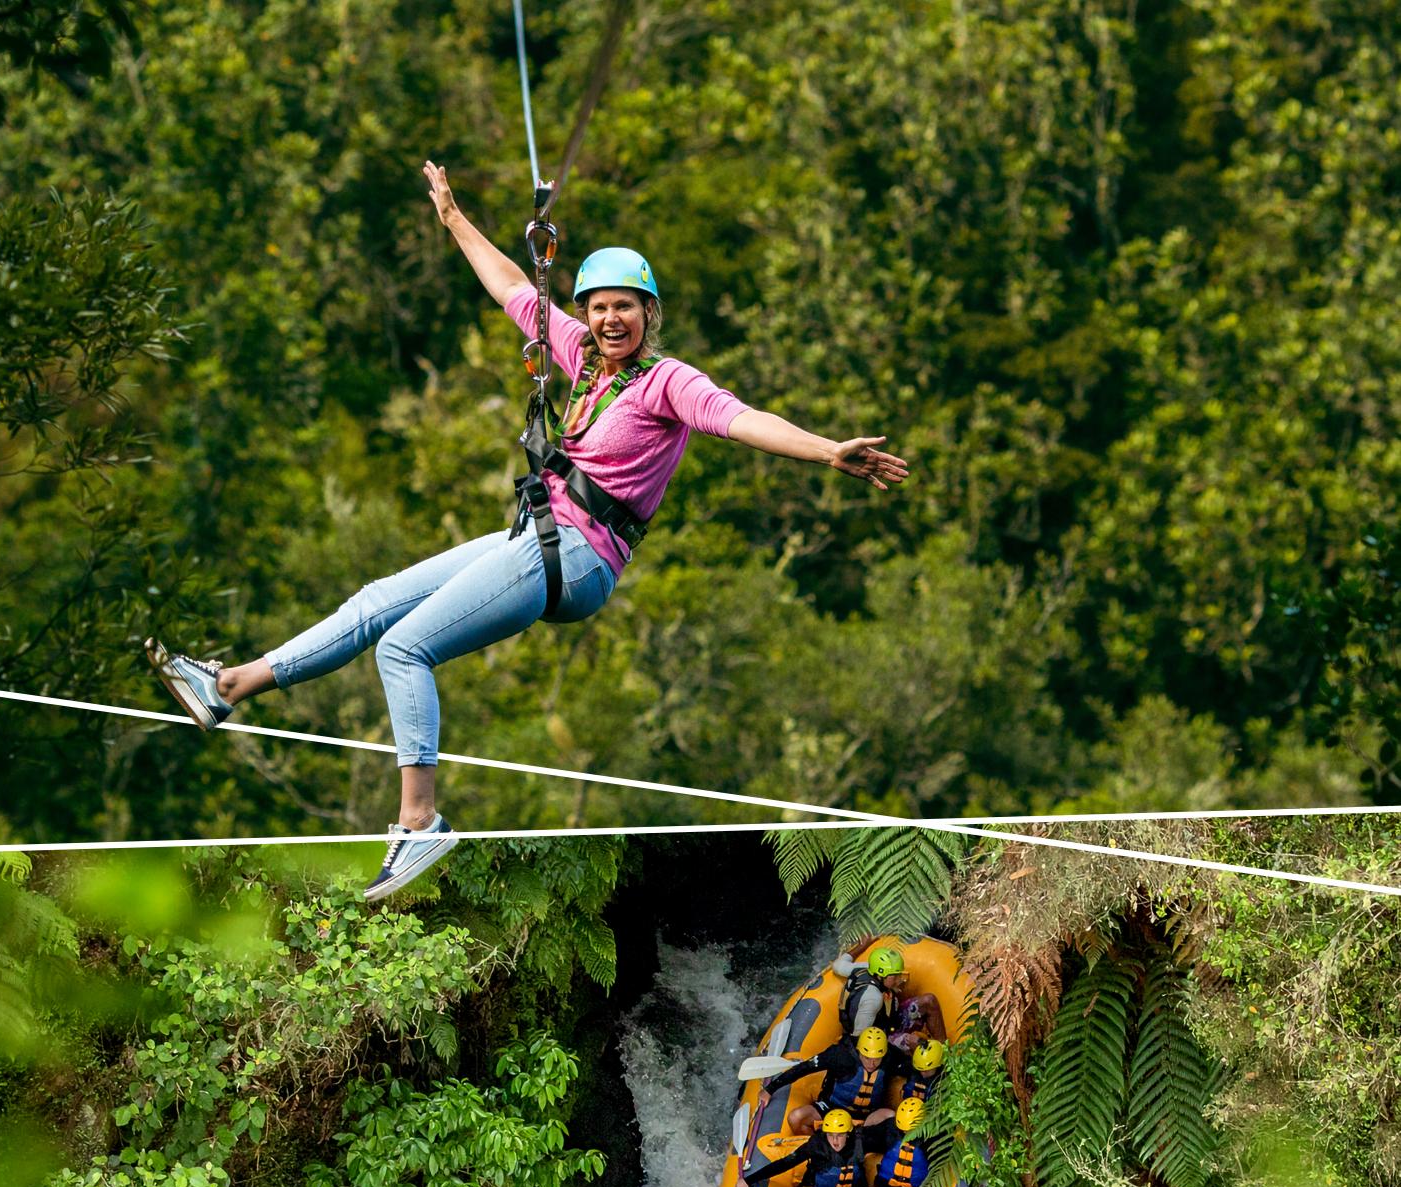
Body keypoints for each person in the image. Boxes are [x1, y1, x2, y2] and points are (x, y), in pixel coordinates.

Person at [144, 162, 911, 901]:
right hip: (536, 534)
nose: (611, 319)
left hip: (578, 560)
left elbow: (742, 422)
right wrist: (453, 220)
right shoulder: (573, 353)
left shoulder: (669, 382)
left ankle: (421, 823)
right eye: (599, 306)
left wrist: (826, 450)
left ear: (650, 315)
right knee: (378, 602)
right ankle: (229, 686)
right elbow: (512, 283)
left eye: (626, 307)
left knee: (404, 648)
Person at [763, 1026, 892, 1138]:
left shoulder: (891, 1056)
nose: (871, 1064)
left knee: (891, 1116)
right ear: (859, 1051)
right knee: (796, 1118)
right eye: (867, 1058)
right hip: (832, 1108)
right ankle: (819, 1148)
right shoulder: (839, 1055)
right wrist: (770, 1089)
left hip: (867, 1116)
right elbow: (805, 1068)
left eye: (876, 1059)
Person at [736, 1108, 865, 1187]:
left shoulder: (861, 1142)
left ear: (848, 1134)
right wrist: (749, 1180)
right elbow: (786, 1163)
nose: (835, 1141)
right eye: (831, 1135)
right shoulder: (816, 1145)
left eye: (840, 1135)